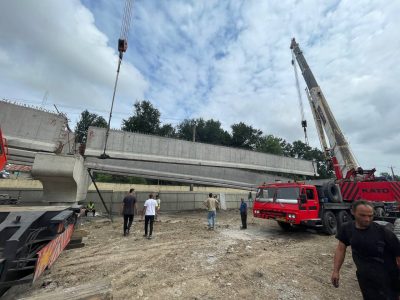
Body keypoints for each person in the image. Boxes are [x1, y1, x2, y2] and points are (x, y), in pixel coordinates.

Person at [331, 200, 400, 300]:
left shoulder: (383, 232)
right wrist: (336, 271)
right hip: (365, 276)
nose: (367, 219)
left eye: (370, 216)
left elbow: (398, 255)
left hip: (387, 277)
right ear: (353, 212)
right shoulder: (347, 228)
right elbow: (341, 249)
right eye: (362, 215)